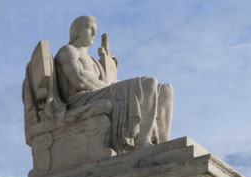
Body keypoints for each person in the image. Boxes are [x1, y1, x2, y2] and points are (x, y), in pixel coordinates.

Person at [54, 15, 172, 151]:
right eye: (89, 28)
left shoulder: (93, 61)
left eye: (95, 30)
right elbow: (79, 80)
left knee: (165, 90)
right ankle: (142, 141)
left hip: (98, 92)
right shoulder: (68, 51)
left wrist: (111, 69)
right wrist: (114, 87)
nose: (93, 33)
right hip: (81, 99)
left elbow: (103, 83)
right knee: (149, 83)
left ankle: (163, 142)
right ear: (77, 31)